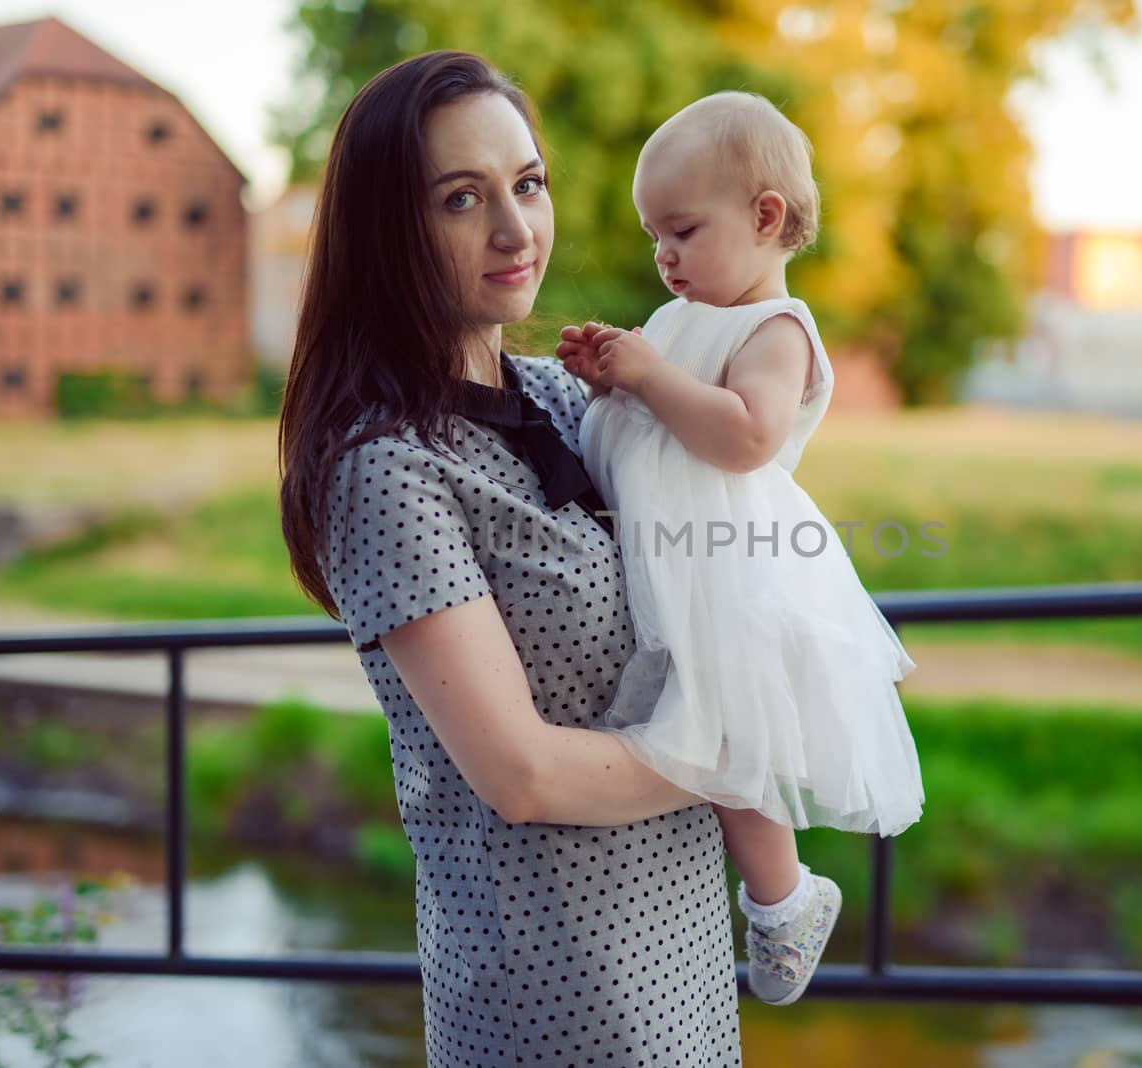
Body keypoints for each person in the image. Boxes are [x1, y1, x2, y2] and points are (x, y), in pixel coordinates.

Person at [277, 53, 742, 1066]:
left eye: (527, 185)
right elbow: (521, 774)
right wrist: (739, 750)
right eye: (461, 198)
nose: (513, 229)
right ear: (387, 230)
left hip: (687, 949)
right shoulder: (385, 469)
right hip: (552, 995)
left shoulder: (574, 398)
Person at [557, 91, 925, 1007]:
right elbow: (649, 427)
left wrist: (647, 371)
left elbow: (745, 437)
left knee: (730, 739)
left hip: (730, 565)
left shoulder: (775, 331)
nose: (664, 255)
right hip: (664, 558)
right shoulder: (682, 319)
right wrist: (612, 378)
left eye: (682, 229)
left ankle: (784, 900)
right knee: (685, 725)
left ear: (765, 218)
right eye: (654, 237)